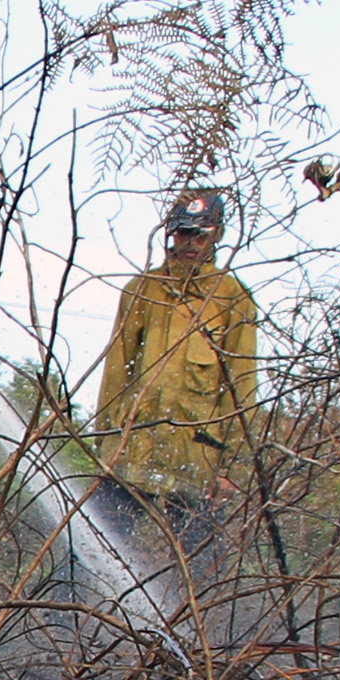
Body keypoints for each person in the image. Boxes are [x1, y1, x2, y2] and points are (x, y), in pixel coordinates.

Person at [91, 187, 263, 569]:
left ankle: (202, 629)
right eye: (183, 233)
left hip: (195, 462)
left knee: (203, 570)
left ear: (217, 234)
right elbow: (115, 374)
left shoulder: (233, 299)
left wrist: (230, 470)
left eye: (200, 234)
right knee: (88, 549)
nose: (190, 243)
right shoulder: (143, 290)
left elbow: (242, 387)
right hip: (132, 454)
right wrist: (105, 448)